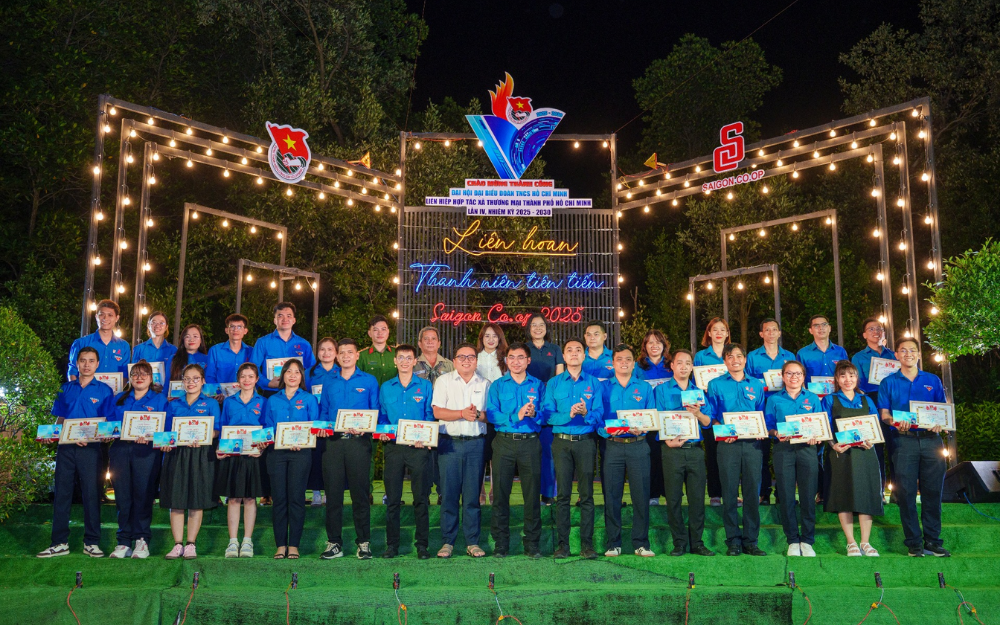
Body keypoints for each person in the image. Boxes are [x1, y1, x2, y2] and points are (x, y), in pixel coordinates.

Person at [37, 347, 116, 558]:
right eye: (83, 360)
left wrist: (100, 436)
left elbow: (108, 424)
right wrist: (52, 434)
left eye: (91, 361)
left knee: (91, 494)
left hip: (91, 449)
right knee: (62, 494)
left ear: (97, 364)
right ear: (77, 363)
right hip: (66, 448)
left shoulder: (105, 391)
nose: (87, 364)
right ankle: (59, 542)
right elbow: (60, 418)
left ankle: (91, 542)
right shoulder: (65, 388)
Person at [877, 337, 949, 557]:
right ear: (896, 355)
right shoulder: (888, 382)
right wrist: (895, 422)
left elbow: (942, 410)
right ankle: (914, 543)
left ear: (918, 354)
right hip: (903, 441)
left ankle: (933, 541)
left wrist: (940, 423)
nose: (908, 354)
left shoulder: (932, 380)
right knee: (906, 493)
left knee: (932, 492)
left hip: (931, 441)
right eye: (903, 350)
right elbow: (884, 414)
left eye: (912, 350)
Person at [541, 338, 604, 559]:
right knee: (563, 496)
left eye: (578, 350)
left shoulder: (594, 383)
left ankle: (587, 545)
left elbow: (599, 414)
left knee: (586, 495)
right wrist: (568, 414)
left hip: (586, 442)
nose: (574, 353)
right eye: (570, 350)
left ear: (584, 356)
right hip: (561, 443)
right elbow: (547, 415)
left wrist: (587, 413)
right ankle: (563, 546)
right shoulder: (553, 383)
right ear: (564, 356)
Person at [316, 338, 379, 560]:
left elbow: (375, 411)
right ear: (336, 356)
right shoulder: (329, 381)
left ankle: (363, 542)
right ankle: (334, 542)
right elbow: (324, 412)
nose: (345, 356)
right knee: (333, 495)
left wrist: (366, 427)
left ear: (357, 355)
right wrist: (323, 428)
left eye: (350, 352)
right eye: (341, 352)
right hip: (333, 444)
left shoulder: (369, 381)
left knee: (360, 495)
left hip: (359, 444)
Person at [702, 343, 768, 556]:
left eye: (739, 356)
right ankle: (733, 540)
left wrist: (761, 429)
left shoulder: (756, 384)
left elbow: (762, 414)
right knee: (729, 492)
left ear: (745, 359)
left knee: (752, 492)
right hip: (727, 445)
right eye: (730, 356)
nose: (735, 360)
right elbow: (711, 416)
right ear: (725, 361)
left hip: (752, 446)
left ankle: (751, 541)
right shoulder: (715, 385)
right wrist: (723, 432)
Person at [431, 343, 490, 558]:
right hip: (449, 444)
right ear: (454, 361)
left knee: (473, 496)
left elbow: (489, 415)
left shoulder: (485, 384)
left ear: (476, 361)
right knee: (449, 494)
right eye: (461, 357)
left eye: (471, 357)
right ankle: (448, 542)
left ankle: (472, 542)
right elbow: (437, 411)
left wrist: (477, 415)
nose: (466, 360)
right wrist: (461, 414)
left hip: (476, 444)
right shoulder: (444, 381)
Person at [485, 341, 544, 558]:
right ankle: (501, 544)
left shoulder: (538, 385)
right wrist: (516, 416)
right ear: (506, 360)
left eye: (520, 357)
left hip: (530, 443)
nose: (516, 362)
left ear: (528, 360)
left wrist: (534, 414)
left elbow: (545, 415)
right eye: (511, 357)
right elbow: (492, 414)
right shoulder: (498, 385)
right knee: (500, 495)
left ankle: (532, 544)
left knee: (532, 496)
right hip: (504, 443)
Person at [653, 349, 714, 556]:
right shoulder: (661, 390)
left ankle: (697, 542)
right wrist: (667, 440)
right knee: (673, 499)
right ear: (672, 366)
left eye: (688, 363)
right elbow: (657, 418)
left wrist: (698, 413)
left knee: (697, 499)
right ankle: (679, 542)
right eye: (679, 362)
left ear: (692, 367)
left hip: (695, 451)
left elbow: (708, 422)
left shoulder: (699, 392)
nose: (684, 367)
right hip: (671, 451)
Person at [377, 344, 434, 559]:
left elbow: (429, 415)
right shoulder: (386, 387)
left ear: (414, 361)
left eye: (408, 358)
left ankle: (422, 545)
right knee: (393, 500)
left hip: (418, 449)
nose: (404, 361)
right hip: (393, 448)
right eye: (400, 357)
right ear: (395, 361)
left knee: (420, 498)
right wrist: (383, 432)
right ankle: (392, 545)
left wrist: (425, 438)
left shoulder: (425, 386)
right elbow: (382, 416)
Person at [599, 344, 656, 557]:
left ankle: (641, 543)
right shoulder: (602, 388)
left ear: (633, 363)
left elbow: (651, 416)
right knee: (612, 495)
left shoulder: (644, 388)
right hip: (612, 446)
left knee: (641, 495)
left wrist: (645, 427)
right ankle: (613, 543)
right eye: (619, 359)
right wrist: (607, 431)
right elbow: (597, 418)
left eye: (628, 359)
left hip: (638, 445)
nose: (624, 363)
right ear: (613, 363)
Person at [108, 360, 168, 559]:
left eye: (144, 374)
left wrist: (152, 436)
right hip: (120, 451)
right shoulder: (119, 398)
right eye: (135, 374)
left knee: (143, 494)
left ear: (151, 379)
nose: (139, 377)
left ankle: (142, 539)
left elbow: (166, 429)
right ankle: (123, 541)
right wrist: (107, 433)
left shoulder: (159, 400)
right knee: (122, 496)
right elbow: (108, 424)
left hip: (147, 452)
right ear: (130, 378)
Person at [823, 360, 883, 557]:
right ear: (836, 379)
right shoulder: (830, 399)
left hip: (865, 453)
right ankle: (851, 543)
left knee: (866, 495)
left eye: (851, 375)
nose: (847, 379)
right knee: (844, 495)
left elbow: (875, 426)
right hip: (841, 453)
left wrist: (872, 441)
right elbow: (825, 427)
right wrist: (833, 445)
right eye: (843, 376)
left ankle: (865, 542)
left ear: (857, 378)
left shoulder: (866, 400)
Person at [160, 364, 220, 560]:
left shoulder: (211, 404)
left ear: (203, 381)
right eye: (187, 378)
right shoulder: (173, 404)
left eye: (195, 378)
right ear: (182, 382)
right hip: (177, 455)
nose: (191, 382)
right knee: (176, 500)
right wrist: (166, 443)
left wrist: (203, 436)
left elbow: (217, 430)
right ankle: (177, 544)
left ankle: (191, 544)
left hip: (201, 454)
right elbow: (167, 432)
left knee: (197, 500)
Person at [764, 360, 823, 557]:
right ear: (783, 376)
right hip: (783, 449)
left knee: (808, 495)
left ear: (803, 377)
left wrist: (817, 436)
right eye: (789, 373)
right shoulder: (774, 399)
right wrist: (776, 433)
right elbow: (768, 427)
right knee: (786, 495)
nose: (793, 377)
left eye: (798, 373)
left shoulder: (812, 398)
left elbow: (820, 425)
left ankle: (807, 540)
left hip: (807, 449)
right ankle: (792, 540)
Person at [264, 359, 319, 559]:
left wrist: (302, 441)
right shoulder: (272, 400)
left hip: (301, 454)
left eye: (297, 372)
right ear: (283, 375)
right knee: (279, 499)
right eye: (288, 371)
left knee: (296, 498)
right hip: (276, 454)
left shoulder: (309, 399)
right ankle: (280, 545)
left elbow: (314, 426)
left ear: (302, 376)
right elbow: (268, 427)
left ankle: (294, 545)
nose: (293, 375)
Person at [215, 362, 267, 558]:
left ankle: (247, 541)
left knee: (250, 498)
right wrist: (221, 448)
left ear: (257, 379)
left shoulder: (263, 402)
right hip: (234, 455)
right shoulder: (229, 402)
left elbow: (266, 427)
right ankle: (232, 541)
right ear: (238, 380)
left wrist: (262, 448)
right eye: (243, 376)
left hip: (253, 455)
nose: (246, 380)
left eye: (250, 376)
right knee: (234, 498)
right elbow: (223, 427)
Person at [745, 318, 797, 507]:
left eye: (774, 329)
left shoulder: (789, 355)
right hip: (762, 409)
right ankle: (764, 493)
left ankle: (784, 494)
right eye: (767, 330)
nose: (771, 333)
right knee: (762, 453)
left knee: (788, 452)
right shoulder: (752, 356)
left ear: (779, 333)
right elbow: (748, 382)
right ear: (761, 334)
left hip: (785, 408)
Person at [851, 317, 896, 486]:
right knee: (875, 447)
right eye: (871, 329)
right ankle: (879, 490)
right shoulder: (858, 357)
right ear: (864, 335)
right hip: (871, 402)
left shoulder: (894, 355)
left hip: (893, 403)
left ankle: (898, 492)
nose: (876, 332)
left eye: (879, 329)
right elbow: (857, 384)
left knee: (896, 447)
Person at [525, 313, 564, 506]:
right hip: (528, 405)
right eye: (534, 325)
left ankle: (548, 494)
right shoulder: (524, 349)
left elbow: (559, 378)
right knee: (530, 454)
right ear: (529, 328)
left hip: (549, 405)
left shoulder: (555, 349)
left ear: (547, 328)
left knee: (549, 452)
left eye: (541, 324)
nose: (538, 328)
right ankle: (531, 495)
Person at [694, 318, 730, 506]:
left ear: (727, 333)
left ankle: (731, 493)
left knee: (730, 456)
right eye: (715, 329)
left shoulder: (732, 354)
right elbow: (696, 386)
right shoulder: (701, 356)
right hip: (709, 412)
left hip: (729, 412)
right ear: (708, 333)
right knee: (713, 454)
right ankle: (715, 493)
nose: (718, 333)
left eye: (722, 329)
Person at [636, 329, 672, 506]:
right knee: (652, 457)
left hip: (670, 419)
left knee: (670, 457)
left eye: (658, 342)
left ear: (664, 345)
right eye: (650, 342)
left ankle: (670, 493)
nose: (654, 345)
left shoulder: (672, 365)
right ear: (645, 346)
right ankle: (653, 494)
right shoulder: (638, 367)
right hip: (648, 420)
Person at [251, 302, 316, 394]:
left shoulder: (304, 344)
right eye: (280, 316)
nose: (285, 319)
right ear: (275, 320)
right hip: (271, 392)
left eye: (289, 316)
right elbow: (253, 367)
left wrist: (305, 386)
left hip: (297, 393)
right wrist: (267, 383)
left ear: (294, 320)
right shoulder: (263, 342)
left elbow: (312, 369)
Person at [304, 337, 339, 507]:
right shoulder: (309, 373)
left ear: (336, 353)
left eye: (330, 349)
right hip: (314, 422)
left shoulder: (341, 372)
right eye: (322, 349)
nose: (326, 353)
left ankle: (329, 492)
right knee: (315, 459)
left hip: (334, 423)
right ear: (317, 353)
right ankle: (316, 492)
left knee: (331, 459)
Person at [477, 323, 508, 505]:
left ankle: (494, 490)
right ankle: (480, 490)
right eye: (487, 336)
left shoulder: (506, 358)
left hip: (500, 412)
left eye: (494, 336)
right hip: (479, 411)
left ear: (499, 339)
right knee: (480, 453)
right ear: (482, 338)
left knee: (497, 454)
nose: (490, 339)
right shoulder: (474, 357)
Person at [68, 299, 131, 383]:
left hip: (114, 391)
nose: (105, 318)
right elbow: (73, 371)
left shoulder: (124, 346)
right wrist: (77, 389)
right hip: (86, 390)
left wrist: (117, 390)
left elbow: (125, 374)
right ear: (96, 316)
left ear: (117, 318)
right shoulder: (81, 343)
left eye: (110, 315)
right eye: (101, 314)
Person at [796, 314, 848, 382]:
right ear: (810, 330)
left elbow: (847, 374)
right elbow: (798, 379)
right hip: (811, 389)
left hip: (837, 389)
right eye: (816, 325)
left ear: (829, 328)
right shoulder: (802, 354)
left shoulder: (840, 351)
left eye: (824, 324)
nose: (821, 328)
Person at [131, 311, 177, 386]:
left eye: (161, 323)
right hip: (144, 390)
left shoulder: (173, 350)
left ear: (166, 327)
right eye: (154, 322)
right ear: (148, 325)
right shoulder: (139, 349)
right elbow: (133, 373)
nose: (157, 325)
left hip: (166, 391)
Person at [205, 314, 253, 385]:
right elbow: (209, 376)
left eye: (239, 327)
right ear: (226, 330)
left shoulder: (251, 352)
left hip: (245, 391)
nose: (235, 330)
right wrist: (218, 390)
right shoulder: (215, 351)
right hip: (221, 391)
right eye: (232, 326)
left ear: (245, 331)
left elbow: (256, 374)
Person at [357, 315, 397, 385]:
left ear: (388, 332)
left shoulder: (397, 353)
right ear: (369, 333)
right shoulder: (361, 356)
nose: (380, 333)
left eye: (383, 329)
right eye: (375, 330)